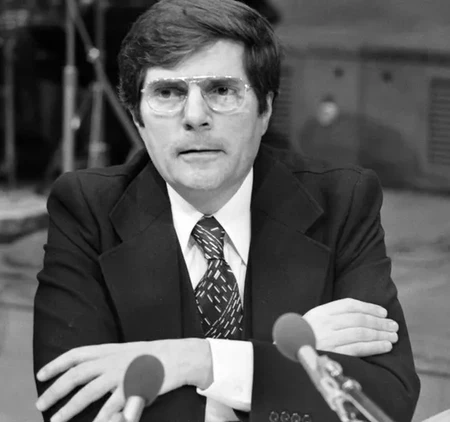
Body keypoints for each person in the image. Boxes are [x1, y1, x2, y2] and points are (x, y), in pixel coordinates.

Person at [33, 1, 420, 421]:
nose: (195, 117)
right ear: (137, 117)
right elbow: (75, 405)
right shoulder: (86, 209)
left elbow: (384, 400)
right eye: (168, 92)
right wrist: (275, 365)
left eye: (221, 90)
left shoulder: (342, 200)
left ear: (265, 110)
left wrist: (198, 360)